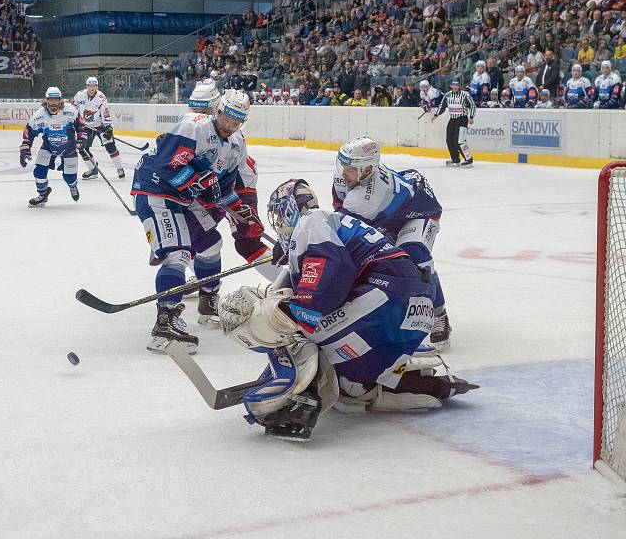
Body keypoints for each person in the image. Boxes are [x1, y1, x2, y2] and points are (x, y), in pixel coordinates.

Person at [217, 179, 478, 441]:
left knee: (295, 328)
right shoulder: (328, 224)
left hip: (387, 300)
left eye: (277, 215)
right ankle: (411, 384)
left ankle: (299, 407)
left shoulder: (311, 223)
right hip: (412, 312)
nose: (278, 223)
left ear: (289, 209)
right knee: (346, 384)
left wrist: (276, 313)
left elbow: (328, 278)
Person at [131, 90, 262, 354]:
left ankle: (208, 301)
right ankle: (164, 322)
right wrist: (198, 181)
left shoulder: (237, 143)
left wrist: (244, 215)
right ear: (218, 111)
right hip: (156, 192)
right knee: (178, 254)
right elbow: (167, 166)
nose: (230, 125)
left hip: (185, 200)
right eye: (227, 117)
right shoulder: (193, 126)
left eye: (237, 121)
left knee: (212, 244)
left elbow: (224, 189)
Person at [331, 137, 451, 351]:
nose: (342, 173)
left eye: (348, 169)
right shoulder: (349, 177)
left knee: (417, 258)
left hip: (419, 212)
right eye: (342, 165)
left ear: (366, 170)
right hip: (389, 214)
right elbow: (339, 209)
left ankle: (440, 314)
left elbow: (341, 229)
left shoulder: (367, 198)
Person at [19, 87, 82, 207]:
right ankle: (43, 195)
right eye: (51, 99)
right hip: (48, 147)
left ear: (60, 100)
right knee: (39, 172)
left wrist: (82, 138)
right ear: (46, 100)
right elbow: (29, 131)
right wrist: (25, 148)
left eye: (56, 99)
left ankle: (73, 186)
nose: (53, 102)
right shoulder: (39, 116)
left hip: (69, 148)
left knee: (69, 178)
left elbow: (80, 125)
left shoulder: (71, 111)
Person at [72, 76, 124, 180]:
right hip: (85, 127)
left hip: (100, 126)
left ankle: (120, 168)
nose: (92, 88)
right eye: (90, 85)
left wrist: (108, 127)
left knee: (110, 147)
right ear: (87, 86)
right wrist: (72, 121)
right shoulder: (79, 95)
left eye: (94, 86)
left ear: (97, 86)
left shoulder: (101, 97)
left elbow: (105, 113)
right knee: (82, 148)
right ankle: (93, 169)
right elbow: (73, 108)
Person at [432, 78, 475, 167]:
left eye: (457, 85)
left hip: (462, 118)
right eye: (453, 85)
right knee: (449, 140)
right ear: (451, 86)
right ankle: (455, 159)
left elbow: (472, 106)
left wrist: (471, 117)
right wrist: (436, 115)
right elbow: (442, 106)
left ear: (459, 86)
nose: (455, 87)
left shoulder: (465, 95)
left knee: (459, 140)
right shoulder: (447, 95)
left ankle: (468, 159)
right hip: (452, 119)